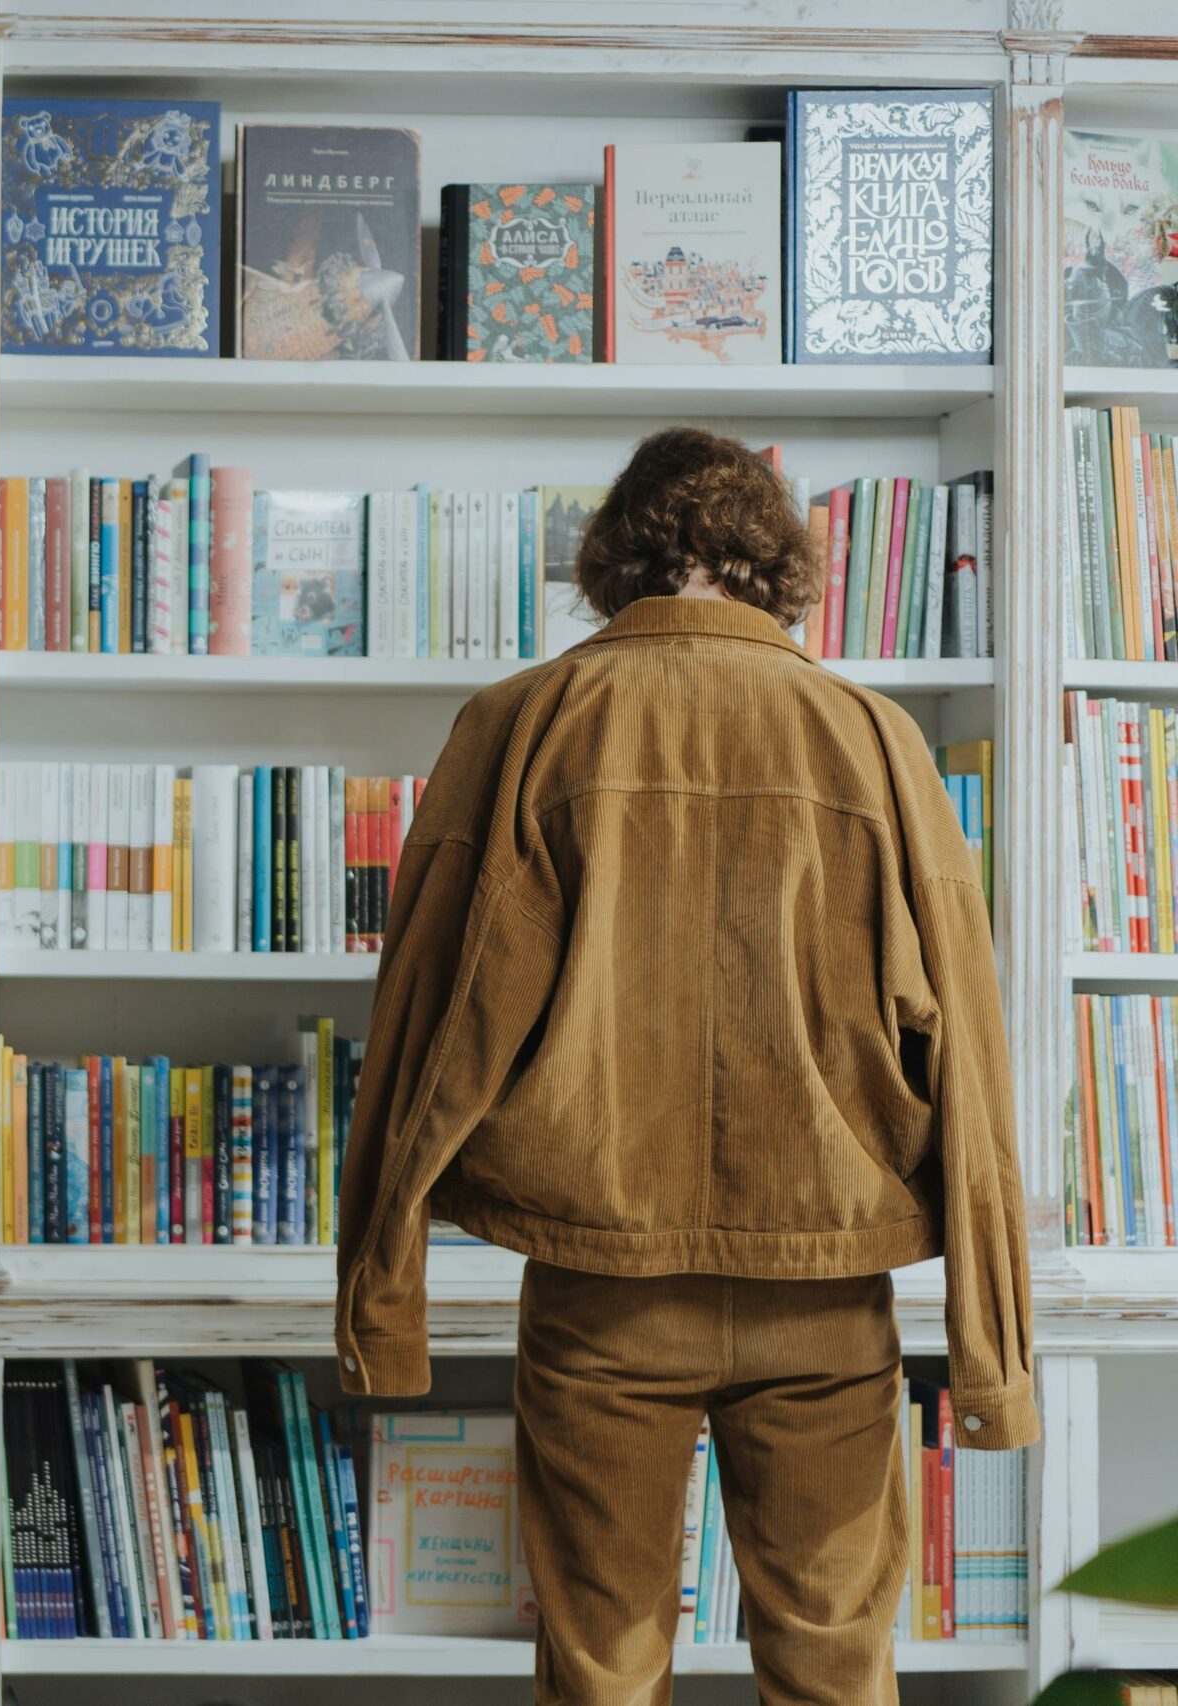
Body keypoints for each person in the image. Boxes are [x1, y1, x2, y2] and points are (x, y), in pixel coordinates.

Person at [334, 427, 1035, 1704]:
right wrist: (993, 1362)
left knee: (601, 1668)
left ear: (617, 560)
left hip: (599, 1280)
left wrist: (382, 1300)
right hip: (825, 1287)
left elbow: (425, 1026)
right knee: (834, 1664)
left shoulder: (522, 723)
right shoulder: (874, 738)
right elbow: (969, 1056)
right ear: (774, 566)